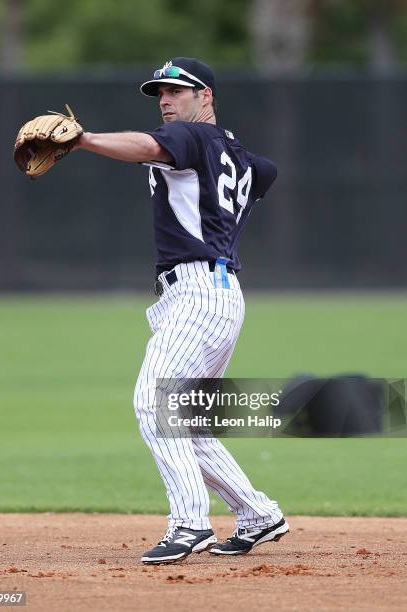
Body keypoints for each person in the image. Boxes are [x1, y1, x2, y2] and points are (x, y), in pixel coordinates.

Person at [74, 57, 289, 564]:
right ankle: (258, 513)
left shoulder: (192, 137)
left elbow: (148, 147)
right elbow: (265, 171)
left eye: (177, 91)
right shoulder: (243, 157)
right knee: (187, 421)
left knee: (154, 402)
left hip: (196, 291)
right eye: (160, 94)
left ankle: (190, 523)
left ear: (205, 97)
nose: (165, 101)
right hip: (217, 292)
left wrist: (82, 140)